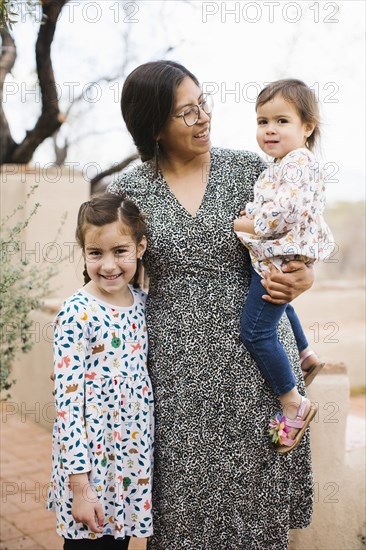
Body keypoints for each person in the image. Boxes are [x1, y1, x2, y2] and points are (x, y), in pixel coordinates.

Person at [108, 60, 315, 550]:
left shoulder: (251, 169)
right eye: (186, 112)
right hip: (177, 371)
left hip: (257, 363)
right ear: (153, 124)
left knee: (256, 500)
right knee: (182, 504)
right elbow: (115, 280)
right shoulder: (132, 194)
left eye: (204, 103)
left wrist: (305, 275)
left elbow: (293, 234)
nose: (203, 118)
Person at [47, 194, 153, 549]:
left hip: (128, 463)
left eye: (119, 251)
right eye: (96, 253)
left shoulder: (141, 304)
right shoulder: (77, 312)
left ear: (140, 247)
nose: (108, 265)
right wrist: (80, 487)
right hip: (90, 468)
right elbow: (67, 407)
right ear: (84, 253)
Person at [234, 79, 333, 454]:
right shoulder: (287, 163)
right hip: (282, 257)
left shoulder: (295, 163)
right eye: (262, 121)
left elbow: (280, 215)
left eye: (281, 121)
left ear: (307, 127)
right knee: (283, 304)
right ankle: (306, 354)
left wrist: (240, 223)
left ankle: (294, 402)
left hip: (280, 260)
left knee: (256, 333)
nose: (270, 129)